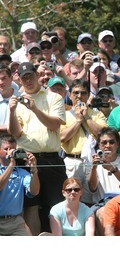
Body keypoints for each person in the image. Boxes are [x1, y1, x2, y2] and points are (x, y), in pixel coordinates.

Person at [7, 61, 67, 234]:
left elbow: (54, 125)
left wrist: (34, 109)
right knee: (31, 207)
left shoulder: (53, 97)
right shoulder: (16, 101)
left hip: (51, 159)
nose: (28, 80)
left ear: (37, 75)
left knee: (56, 206)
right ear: (19, 79)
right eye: (24, 77)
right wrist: (11, 112)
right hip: (26, 159)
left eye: (30, 76)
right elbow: (15, 133)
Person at [88, 127, 120, 235]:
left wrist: (112, 168)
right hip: (102, 206)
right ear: (99, 145)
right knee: (103, 212)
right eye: (104, 143)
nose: (108, 145)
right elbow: (92, 188)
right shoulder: (93, 164)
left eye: (111, 142)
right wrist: (93, 168)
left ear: (117, 144)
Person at [0, 135, 39, 236]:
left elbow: (34, 191)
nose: (10, 152)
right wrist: (11, 164)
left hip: (15, 221)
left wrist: (33, 169)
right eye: (6, 149)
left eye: (13, 149)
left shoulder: (21, 173)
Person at [0, 64, 21, 136]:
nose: (0, 82)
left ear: (11, 78)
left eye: (3, 78)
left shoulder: (22, 98)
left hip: (19, 143)